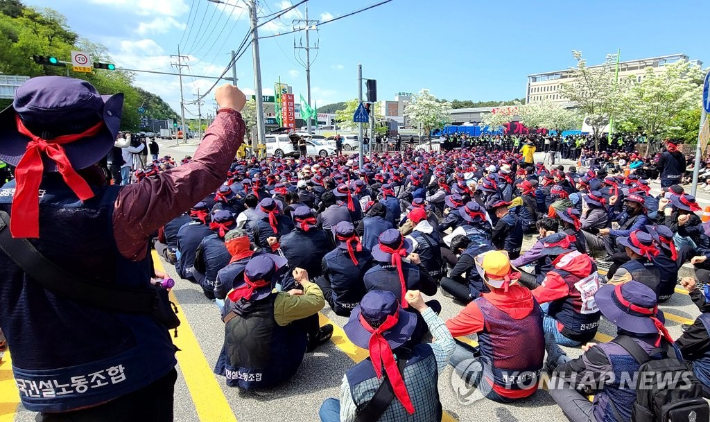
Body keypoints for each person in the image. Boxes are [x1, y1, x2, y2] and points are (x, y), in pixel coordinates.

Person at [0, 77, 246, 420]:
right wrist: (228, 111)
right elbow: (203, 168)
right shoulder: (121, 208)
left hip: (45, 386)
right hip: (130, 376)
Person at [546, 281, 680, 422]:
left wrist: (591, 357)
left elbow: (563, 374)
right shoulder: (671, 346)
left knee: (555, 383)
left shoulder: (607, 353)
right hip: (653, 413)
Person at [318, 290, 455, 422]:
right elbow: (448, 342)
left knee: (328, 407)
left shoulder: (353, 380)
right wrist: (422, 306)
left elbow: (347, 419)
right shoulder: (428, 356)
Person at [214, 255, 328, 389]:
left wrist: (286, 296)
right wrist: (304, 281)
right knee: (302, 311)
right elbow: (317, 300)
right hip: (269, 375)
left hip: (232, 370)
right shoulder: (280, 303)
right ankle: (313, 339)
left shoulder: (231, 294)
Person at [446, 250, 545, 402]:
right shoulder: (529, 295)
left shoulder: (481, 307)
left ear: (485, 277)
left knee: (443, 341)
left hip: (500, 390)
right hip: (532, 384)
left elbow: (446, 330)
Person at [526, 234, 601, 347]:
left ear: (553, 255)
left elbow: (533, 298)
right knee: (545, 304)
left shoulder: (560, 275)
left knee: (524, 317)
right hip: (590, 330)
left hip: (568, 334)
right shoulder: (590, 263)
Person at [316, 221, 373, 316]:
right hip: (364, 303)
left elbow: (326, 276)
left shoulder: (328, 258)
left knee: (320, 279)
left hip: (341, 307)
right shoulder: (366, 253)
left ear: (336, 238)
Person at [192, 210, 235, 299]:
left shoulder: (207, 240)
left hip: (212, 289)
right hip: (236, 288)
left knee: (193, 269)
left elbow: (198, 266)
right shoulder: (243, 240)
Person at [175, 202, 214, 281]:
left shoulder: (183, 228)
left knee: (177, 251)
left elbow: (180, 249)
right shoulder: (213, 228)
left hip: (187, 273)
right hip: (208, 273)